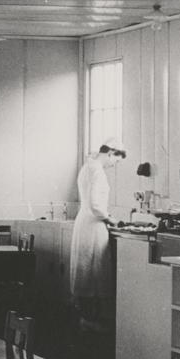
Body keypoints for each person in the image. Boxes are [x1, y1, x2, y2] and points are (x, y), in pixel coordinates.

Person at [69, 137, 127, 334]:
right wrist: (109, 218)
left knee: (85, 272)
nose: (114, 165)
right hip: (93, 224)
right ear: (110, 153)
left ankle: (86, 318)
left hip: (83, 222)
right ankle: (91, 321)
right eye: (116, 160)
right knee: (95, 273)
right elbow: (96, 204)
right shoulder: (98, 171)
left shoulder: (87, 168)